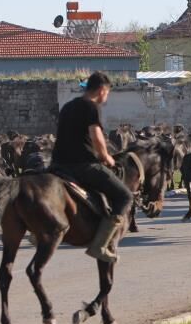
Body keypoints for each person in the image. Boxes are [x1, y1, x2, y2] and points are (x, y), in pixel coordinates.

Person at [51, 71, 132, 263]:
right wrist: (106, 158)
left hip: (57, 164)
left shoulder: (68, 106)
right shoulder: (91, 107)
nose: (106, 97)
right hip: (82, 165)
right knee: (124, 196)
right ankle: (100, 245)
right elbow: (96, 137)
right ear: (102, 90)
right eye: (107, 92)